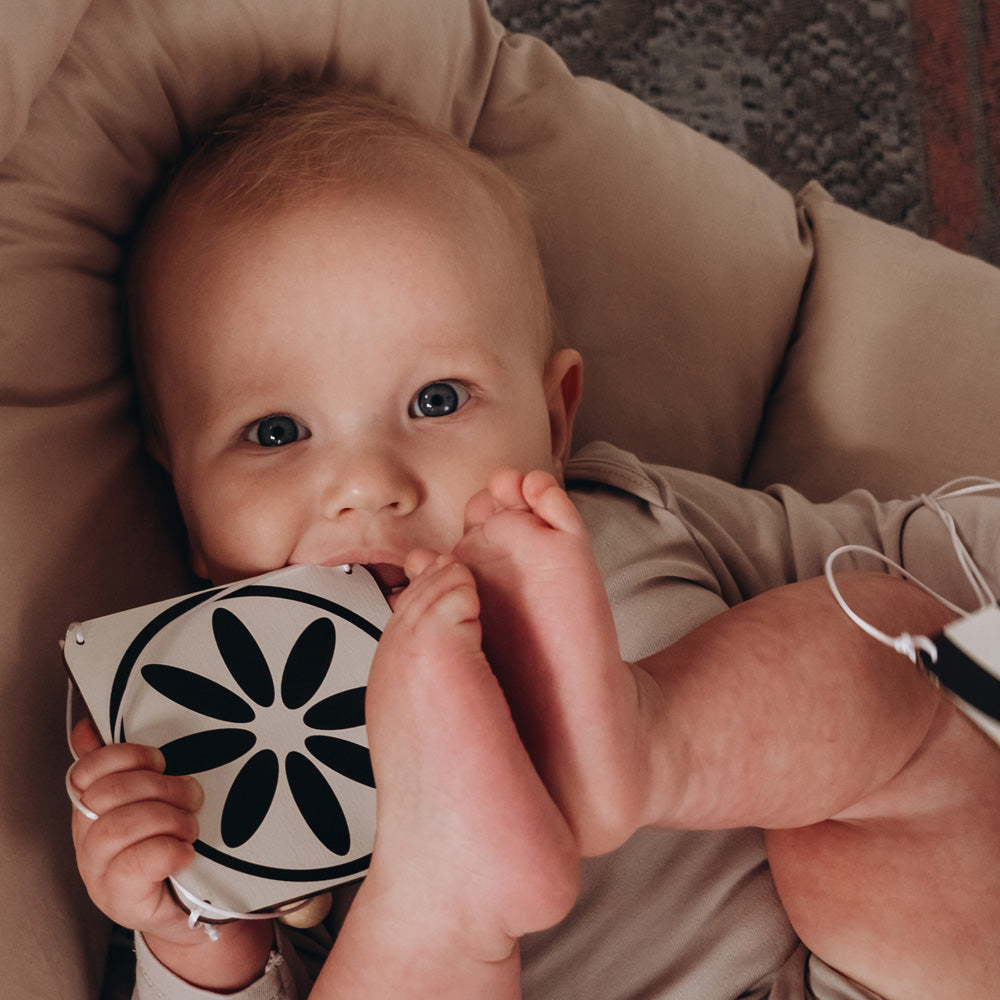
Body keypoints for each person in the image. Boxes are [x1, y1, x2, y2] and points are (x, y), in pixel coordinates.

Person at [68, 84, 1000, 1000]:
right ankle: (437, 909)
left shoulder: (609, 519)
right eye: (275, 432)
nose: (367, 486)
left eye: (436, 401)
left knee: (906, 648)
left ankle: (648, 737)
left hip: (859, 976)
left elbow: (901, 559)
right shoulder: (195, 707)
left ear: (554, 420)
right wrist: (199, 935)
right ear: (184, 501)